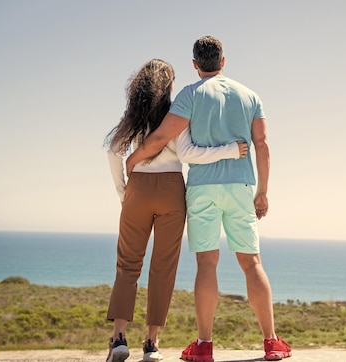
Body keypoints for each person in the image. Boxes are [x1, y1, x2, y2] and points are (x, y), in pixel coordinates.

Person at [125, 37, 292, 361]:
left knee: (206, 262)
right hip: (241, 185)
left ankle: (203, 346)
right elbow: (263, 144)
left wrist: (134, 161)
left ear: (195, 64)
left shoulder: (189, 95)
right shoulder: (250, 96)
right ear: (224, 61)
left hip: (202, 189)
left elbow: (161, 137)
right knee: (251, 262)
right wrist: (263, 192)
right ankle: (271, 342)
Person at [104, 58, 248, 362]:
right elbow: (187, 152)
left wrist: (123, 192)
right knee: (163, 268)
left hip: (138, 188)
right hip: (171, 190)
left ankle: (119, 339)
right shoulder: (176, 114)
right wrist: (231, 150)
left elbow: (114, 151)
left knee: (128, 265)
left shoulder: (132, 118)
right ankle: (152, 344)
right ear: (168, 86)